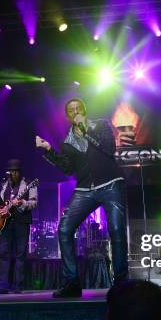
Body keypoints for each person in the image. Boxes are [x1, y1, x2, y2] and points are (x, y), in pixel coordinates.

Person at [36, 98, 132, 298]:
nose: (75, 111)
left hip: (110, 183)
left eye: (78, 108)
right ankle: (72, 282)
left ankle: (121, 282)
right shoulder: (67, 142)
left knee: (116, 228)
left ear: (84, 110)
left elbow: (109, 148)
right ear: (67, 116)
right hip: (84, 189)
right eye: (71, 110)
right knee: (64, 229)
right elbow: (68, 168)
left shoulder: (101, 125)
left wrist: (86, 130)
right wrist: (48, 150)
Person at [0, 159, 38, 294]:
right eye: (12, 171)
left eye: (16, 171)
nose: (14, 174)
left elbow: (34, 202)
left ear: (20, 172)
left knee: (20, 253)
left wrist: (22, 203)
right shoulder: (2, 185)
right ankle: (3, 285)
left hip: (22, 222)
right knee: (4, 253)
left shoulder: (29, 184)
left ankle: (18, 285)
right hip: (5, 224)